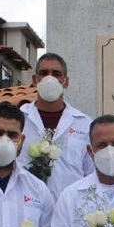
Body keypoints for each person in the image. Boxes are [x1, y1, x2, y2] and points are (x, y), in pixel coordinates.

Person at [17, 52, 93, 201]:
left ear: (66, 82)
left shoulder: (84, 124)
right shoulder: (19, 119)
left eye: (56, 74)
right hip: (27, 204)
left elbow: (91, 173)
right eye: (44, 73)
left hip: (69, 208)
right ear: (35, 80)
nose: (49, 78)